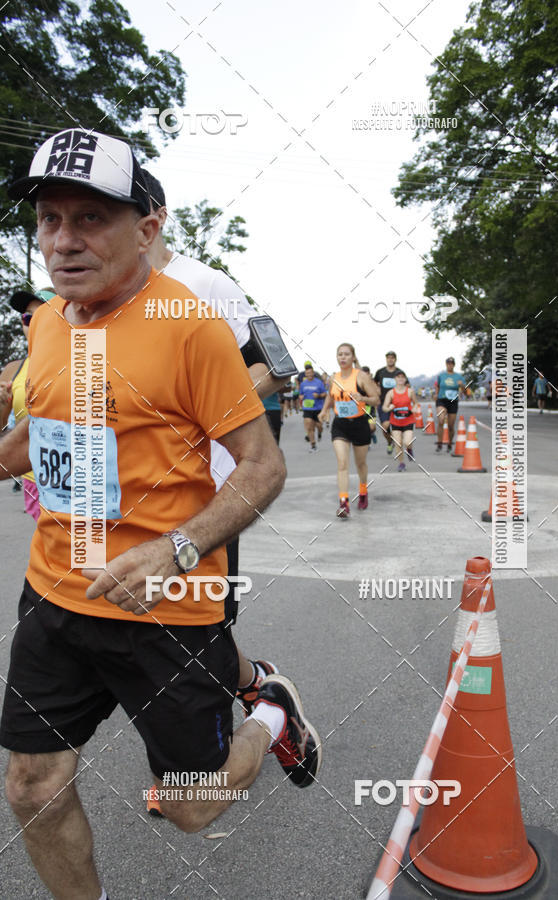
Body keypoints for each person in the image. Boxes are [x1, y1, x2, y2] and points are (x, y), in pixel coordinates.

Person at [1, 129, 321, 900]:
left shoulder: (191, 325)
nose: (63, 241)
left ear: (146, 228)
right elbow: (34, 439)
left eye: (89, 219)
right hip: (55, 594)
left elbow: (262, 464)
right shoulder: (47, 322)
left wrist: (177, 550)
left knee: (188, 805)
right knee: (30, 783)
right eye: (48, 219)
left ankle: (270, 708)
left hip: (166, 606)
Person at [141, 169, 297, 814]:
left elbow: (274, 371)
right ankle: (253, 691)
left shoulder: (205, 285)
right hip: (122, 504)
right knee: (140, 636)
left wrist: (198, 411)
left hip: (202, 498)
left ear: (151, 218)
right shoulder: (102, 296)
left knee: (194, 637)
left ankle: (257, 712)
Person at [0, 289, 55, 518]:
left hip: (79, 480)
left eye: (42, 315)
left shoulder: (85, 359)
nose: (32, 323)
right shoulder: (13, 370)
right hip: (32, 478)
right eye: (27, 318)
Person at [318, 343, 380, 517]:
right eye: (340, 354)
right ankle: (344, 503)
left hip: (360, 424)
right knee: (342, 463)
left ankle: (363, 490)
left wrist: (363, 398)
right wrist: (324, 411)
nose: (343, 357)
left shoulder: (361, 377)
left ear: (353, 357)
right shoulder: (334, 378)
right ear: (336, 357)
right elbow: (331, 396)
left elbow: (376, 400)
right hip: (341, 426)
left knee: (360, 464)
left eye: (346, 354)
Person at [382, 371, 417, 471]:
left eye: (402, 377)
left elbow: (415, 403)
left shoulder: (410, 391)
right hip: (395, 422)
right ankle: (401, 463)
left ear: (405, 379)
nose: (400, 379)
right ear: (395, 379)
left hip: (408, 421)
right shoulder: (391, 393)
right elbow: (384, 407)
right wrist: (389, 408)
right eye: (398, 377)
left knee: (407, 442)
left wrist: (414, 408)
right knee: (398, 443)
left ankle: (409, 449)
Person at [433, 356, 465, 452]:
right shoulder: (441, 375)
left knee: (451, 425)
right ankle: (439, 443)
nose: (450, 365)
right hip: (442, 400)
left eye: (451, 363)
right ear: (446, 364)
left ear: (454, 365)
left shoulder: (459, 377)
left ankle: (450, 443)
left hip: (453, 401)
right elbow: (437, 386)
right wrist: (436, 394)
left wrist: (461, 385)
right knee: (441, 420)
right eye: (448, 363)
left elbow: (464, 390)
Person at [374, 351, 403, 455]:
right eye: (388, 358)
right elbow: (374, 383)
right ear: (386, 359)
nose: (390, 360)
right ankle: (390, 442)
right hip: (383, 403)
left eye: (392, 358)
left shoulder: (399, 372)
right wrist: (377, 390)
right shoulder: (380, 372)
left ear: (395, 359)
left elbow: (406, 385)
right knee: (385, 426)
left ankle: (398, 445)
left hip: (397, 404)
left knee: (397, 428)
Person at [299, 365, 326, 451]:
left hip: (318, 408)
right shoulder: (303, 384)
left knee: (319, 426)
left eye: (310, 372)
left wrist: (318, 395)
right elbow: (300, 394)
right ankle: (313, 445)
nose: (309, 374)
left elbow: (325, 394)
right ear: (305, 374)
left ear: (313, 373)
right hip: (307, 408)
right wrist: (301, 397)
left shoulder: (319, 382)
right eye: (307, 373)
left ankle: (320, 432)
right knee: (309, 426)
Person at [361, 365, 377, 444]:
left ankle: (372, 433)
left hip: (371, 409)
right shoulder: (358, 382)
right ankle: (367, 442)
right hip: (361, 408)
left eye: (366, 374)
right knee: (363, 428)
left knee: (372, 427)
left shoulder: (372, 382)